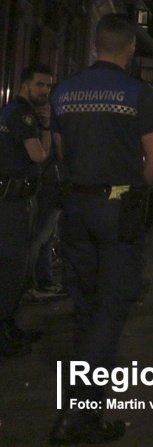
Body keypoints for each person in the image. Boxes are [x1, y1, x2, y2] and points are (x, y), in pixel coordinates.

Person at [49, 13, 153, 443]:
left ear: (96, 44)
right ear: (131, 47)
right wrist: (138, 189)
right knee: (111, 310)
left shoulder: (63, 91)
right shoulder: (140, 94)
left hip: (76, 206)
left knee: (84, 307)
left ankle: (78, 409)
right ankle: (80, 417)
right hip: (117, 209)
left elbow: (61, 151)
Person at [1, 64, 54, 355]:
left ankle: (8, 325)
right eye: (39, 85)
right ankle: (4, 331)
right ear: (24, 85)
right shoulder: (22, 114)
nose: (44, 91)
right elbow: (39, 156)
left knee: (13, 264)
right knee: (14, 265)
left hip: (11, 198)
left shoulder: (12, 111)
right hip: (13, 200)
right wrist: (46, 127)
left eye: (48, 86)